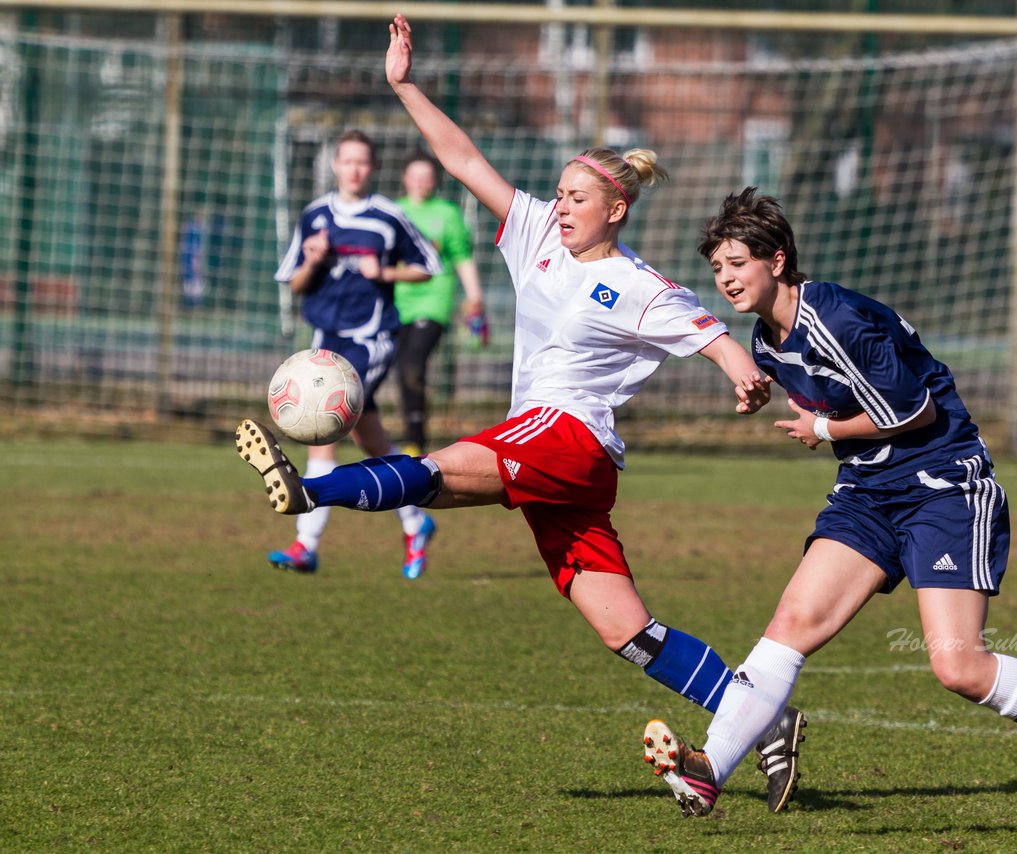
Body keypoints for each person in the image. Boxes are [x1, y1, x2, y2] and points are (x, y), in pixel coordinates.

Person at [234, 16, 803, 813]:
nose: (560, 206)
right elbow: (463, 158)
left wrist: (744, 370)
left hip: (569, 437)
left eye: (577, 198)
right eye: (561, 194)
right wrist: (403, 85)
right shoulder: (534, 231)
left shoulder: (637, 284)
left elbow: (706, 331)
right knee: (625, 631)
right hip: (555, 461)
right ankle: (759, 713)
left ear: (616, 210)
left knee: (439, 467)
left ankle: (309, 494)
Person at [642, 188, 1017, 824]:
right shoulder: (766, 338)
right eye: (717, 268)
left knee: (958, 666)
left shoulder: (837, 319)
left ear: (776, 261)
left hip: (942, 482)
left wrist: (821, 430)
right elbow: (831, 399)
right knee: (792, 622)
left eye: (737, 263)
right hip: (869, 490)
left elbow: (915, 410)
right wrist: (779, 400)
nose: (725, 279)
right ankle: (710, 771)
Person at [268, 128, 442, 579]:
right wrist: (312, 259)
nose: (354, 169)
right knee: (370, 438)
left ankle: (305, 544)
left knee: (325, 427)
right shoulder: (315, 215)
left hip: (371, 338)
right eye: (347, 161)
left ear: (373, 167)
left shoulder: (387, 216)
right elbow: (295, 282)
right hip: (324, 341)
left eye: (363, 162)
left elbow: (429, 267)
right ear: (335, 165)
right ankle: (414, 520)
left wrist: (382, 271)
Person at [393, 151, 487, 462]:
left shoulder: (446, 214)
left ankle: (414, 443)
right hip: (395, 304)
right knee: (397, 369)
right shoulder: (393, 212)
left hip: (433, 301)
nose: (420, 182)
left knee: (412, 366)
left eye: (426, 177)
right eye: (415, 176)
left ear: (435, 180)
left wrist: (474, 299)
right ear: (405, 179)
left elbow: (462, 258)